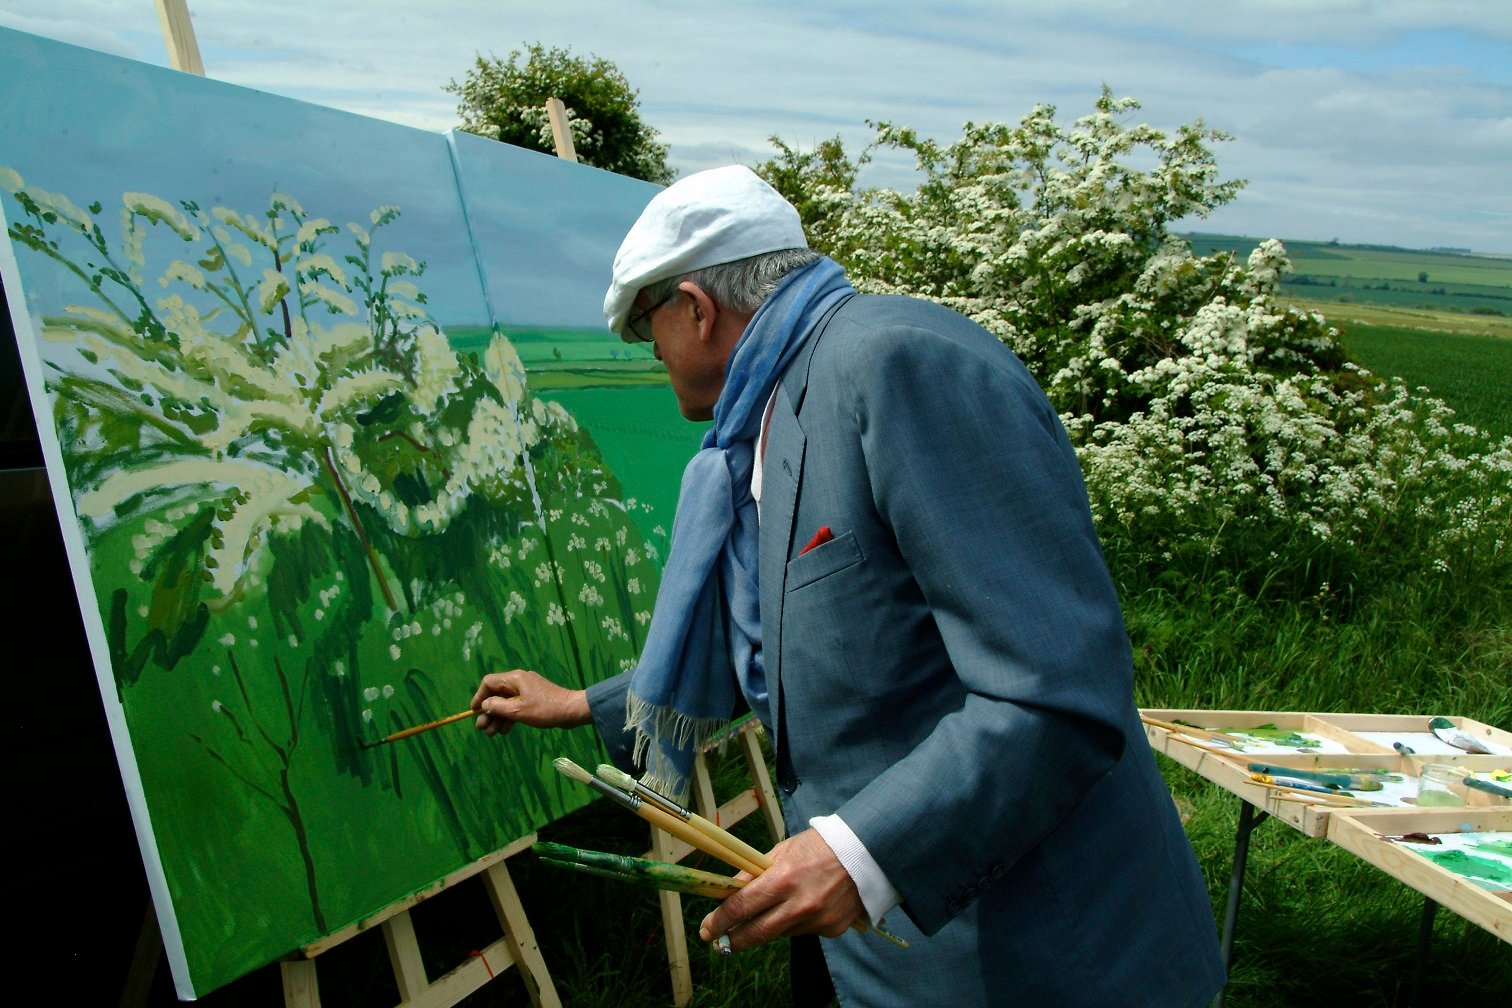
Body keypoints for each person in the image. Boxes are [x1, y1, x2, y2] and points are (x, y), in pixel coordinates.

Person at [474, 165, 1226, 1007]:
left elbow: (1055, 691)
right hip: (875, 950)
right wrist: (578, 703)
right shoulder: (771, 417)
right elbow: (794, 638)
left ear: (695, 305)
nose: (650, 351)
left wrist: (860, 853)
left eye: (644, 325)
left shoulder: (898, 368)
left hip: (1026, 956)